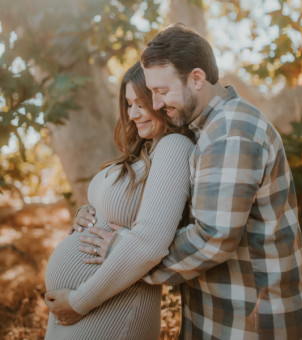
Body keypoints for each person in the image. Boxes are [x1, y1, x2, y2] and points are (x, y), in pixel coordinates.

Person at [72, 24, 302, 339]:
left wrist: (123, 253)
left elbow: (212, 239)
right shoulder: (207, 129)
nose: (155, 104)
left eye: (161, 91)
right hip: (221, 315)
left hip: (254, 322)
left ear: (197, 79)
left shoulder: (230, 130)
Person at [44, 61, 194, 340]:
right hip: (86, 306)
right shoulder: (146, 150)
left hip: (112, 307)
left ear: (160, 101)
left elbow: (150, 243)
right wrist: (86, 216)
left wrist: (79, 301)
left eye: (141, 103)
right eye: (128, 104)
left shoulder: (174, 146)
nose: (133, 114)